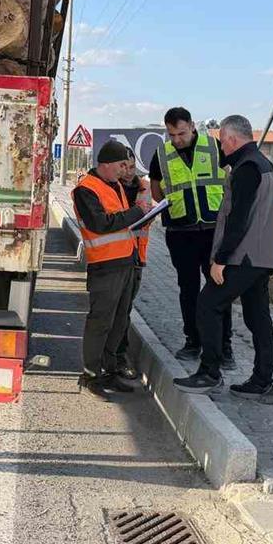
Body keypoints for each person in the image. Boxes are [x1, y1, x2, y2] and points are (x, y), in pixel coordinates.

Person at [173, 115, 273, 403]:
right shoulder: (265, 164)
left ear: (232, 139)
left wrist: (221, 259)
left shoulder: (247, 168)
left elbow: (239, 219)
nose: (221, 147)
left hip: (244, 257)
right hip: (264, 257)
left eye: (222, 141)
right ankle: (262, 382)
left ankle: (209, 373)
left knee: (208, 303)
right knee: (258, 316)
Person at [148, 107, 232, 366]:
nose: (177, 139)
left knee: (219, 289)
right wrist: (177, 208)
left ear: (192, 126)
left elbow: (232, 182)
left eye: (181, 133)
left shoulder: (214, 147)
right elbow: (156, 191)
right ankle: (193, 341)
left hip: (213, 232)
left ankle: (223, 347)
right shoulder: (162, 154)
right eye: (172, 134)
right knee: (188, 289)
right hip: (180, 234)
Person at [72, 140, 151, 399]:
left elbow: (123, 215)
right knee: (100, 322)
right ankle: (91, 375)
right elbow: (100, 224)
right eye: (120, 165)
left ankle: (109, 371)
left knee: (119, 322)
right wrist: (135, 213)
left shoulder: (114, 184)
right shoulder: (85, 189)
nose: (124, 171)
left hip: (125, 262)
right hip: (105, 267)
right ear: (105, 165)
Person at [114, 147, 152, 380]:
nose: (128, 172)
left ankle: (120, 356)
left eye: (131, 166)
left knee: (125, 311)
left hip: (136, 259)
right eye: (123, 167)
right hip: (113, 259)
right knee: (112, 312)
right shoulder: (109, 188)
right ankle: (109, 359)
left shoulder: (144, 187)